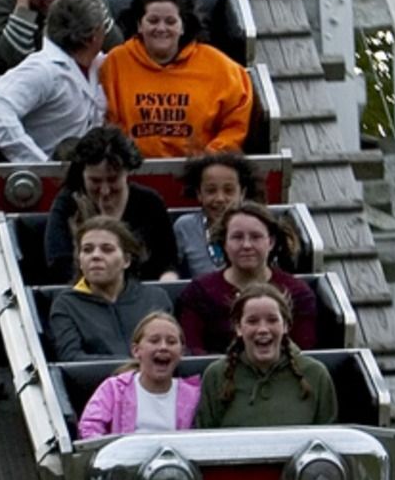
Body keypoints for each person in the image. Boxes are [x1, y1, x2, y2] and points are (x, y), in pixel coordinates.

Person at [100, 0, 253, 159]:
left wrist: (211, 158)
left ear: (183, 27)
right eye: (153, 20)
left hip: (200, 174)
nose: (161, 28)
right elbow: (104, 119)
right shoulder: (115, 63)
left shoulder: (221, 68)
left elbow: (236, 122)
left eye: (171, 22)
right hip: (130, 171)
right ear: (139, 25)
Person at [0, 0, 106, 163]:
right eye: (102, 28)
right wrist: (39, 164)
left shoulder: (101, 64)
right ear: (93, 37)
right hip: (49, 180)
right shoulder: (43, 70)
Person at [177, 202, 318, 354]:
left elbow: (304, 351)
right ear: (224, 243)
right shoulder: (199, 292)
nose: (246, 245)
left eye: (256, 237)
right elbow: (192, 351)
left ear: (271, 242)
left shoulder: (297, 292)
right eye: (237, 237)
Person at [44, 126, 179, 282]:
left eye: (113, 180)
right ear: (82, 174)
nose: (105, 190)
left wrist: (167, 282)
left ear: (127, 172)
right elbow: (59, 264)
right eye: (95, 181)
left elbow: (168, 262)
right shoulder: (69, 203)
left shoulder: (150, 202)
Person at [195, 284, 337, 429]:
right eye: (252, 321)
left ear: (286, 325)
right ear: (238, 327)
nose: (263, 329)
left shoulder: (315, 373)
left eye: (272, 320)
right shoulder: (216, 375)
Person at [49, 217, 172, 359]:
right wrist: (132, 368)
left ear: (126, 260)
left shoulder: (155, 298)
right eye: (87, 250)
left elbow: (172, 350)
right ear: (80, 261)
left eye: (107, 249)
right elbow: (72, 358)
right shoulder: (65, 304)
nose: (95, 256)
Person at [77, 312, 201, 436]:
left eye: (171, 342)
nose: (163, 347)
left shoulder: (194, 395)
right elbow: (89, 428)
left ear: (182, 352)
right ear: (136, 351)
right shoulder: (114, 389)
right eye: (154, 341)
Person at [173, 152, 262, 277]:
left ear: (242, 193)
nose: (220, 198)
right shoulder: (185, 227)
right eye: (211, 191)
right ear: (199, 193)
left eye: (229, 190)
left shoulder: (260, 225)